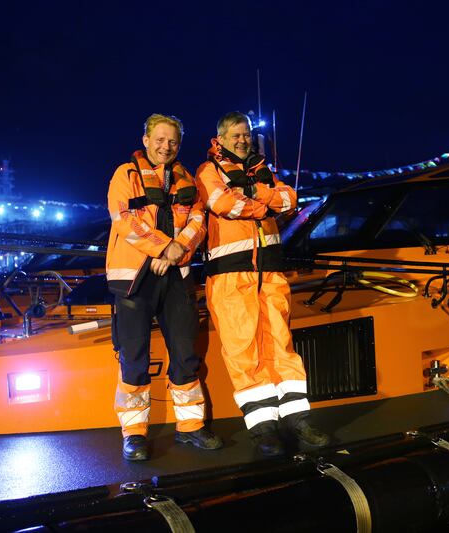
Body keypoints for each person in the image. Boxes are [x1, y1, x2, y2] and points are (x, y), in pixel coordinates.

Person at [195, 111, 329, 456]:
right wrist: (265, 203)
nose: (243, 140)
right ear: (220, 138)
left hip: (269, 270)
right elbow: (223, 203)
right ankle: (263, 429)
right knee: (243, 351)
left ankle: (299, 420)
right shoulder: (209, 171)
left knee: (281, 345)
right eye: (236, 135)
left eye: (246, 135)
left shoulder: (262, 170)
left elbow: (290, 200)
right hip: (230, 275)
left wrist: (256, 194)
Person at [106, 113, 222, 461]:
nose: (165, 146)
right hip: (134, 280)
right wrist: (162, 247)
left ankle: (190, 428)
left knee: (186, 352)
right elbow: (123, 217)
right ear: (145, 140)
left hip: (176, 274)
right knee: (134, 357)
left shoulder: (187, 179)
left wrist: (174, 252)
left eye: (172, 141)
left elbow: (199, 220)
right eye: (159, 139)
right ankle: (134, 434)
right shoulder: (125, 175)